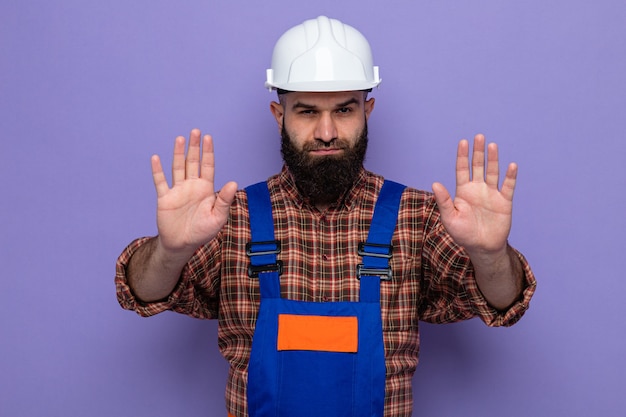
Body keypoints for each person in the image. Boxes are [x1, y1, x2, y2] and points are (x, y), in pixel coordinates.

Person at [116, 15, 536, 417]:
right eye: (306, 111)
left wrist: (490, 254)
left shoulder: (417, 216)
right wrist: (170, 251)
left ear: (367, 111)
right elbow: (143, 293)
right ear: (279, 116)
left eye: (344, 109)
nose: (327, 132)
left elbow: (501, 302)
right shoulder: (229, 218)